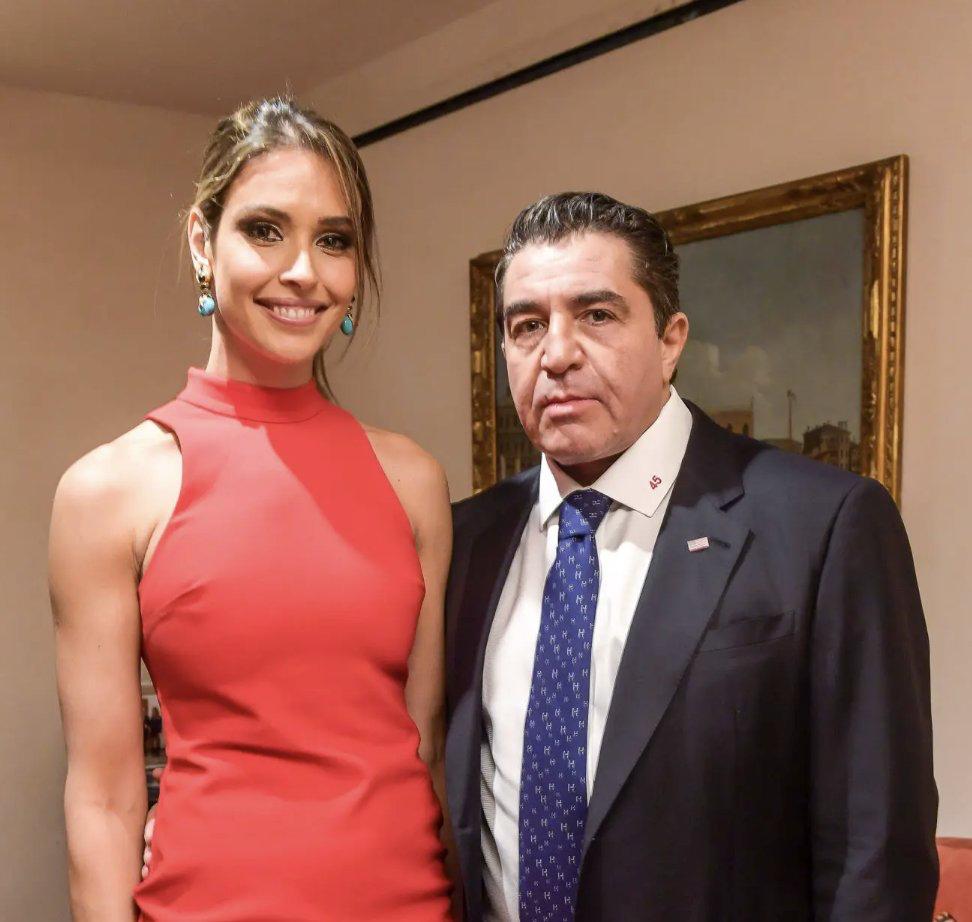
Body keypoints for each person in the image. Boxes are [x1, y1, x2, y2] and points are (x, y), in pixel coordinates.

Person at [444, 192, 938, 920]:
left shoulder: (824, 525)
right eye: (527, 326)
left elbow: (878, 850)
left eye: (597, 315)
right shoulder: (466, 540)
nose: (557, 353)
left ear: (671, 339)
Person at [49, 97, 454, 921]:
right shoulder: (109, 493)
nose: (303, 271)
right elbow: (103, 798)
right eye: (265, 230)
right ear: (203, 241)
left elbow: (428, 753)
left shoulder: (413, 481)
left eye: (334, 240)